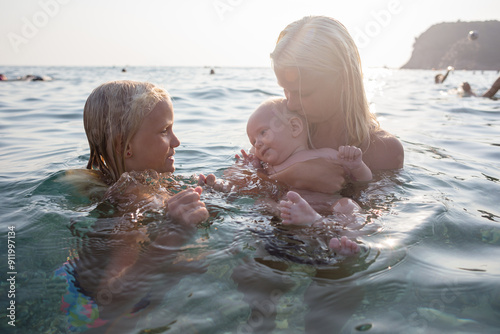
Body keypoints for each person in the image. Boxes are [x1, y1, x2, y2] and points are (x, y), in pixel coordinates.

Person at [58, 80, 209, 331]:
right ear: (124, 147)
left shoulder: (142, 186)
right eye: (164, 131)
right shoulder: (132, 202)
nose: (176, 142)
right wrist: (172, 234)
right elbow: (111, 300)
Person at [245, 15, 403, 196]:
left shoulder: (384, 150)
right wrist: (294, 175)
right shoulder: (284, 133)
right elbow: (236, 186)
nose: (291, 102)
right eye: (286, 90)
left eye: (304, 93)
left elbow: (371, 217)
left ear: (343, 81)